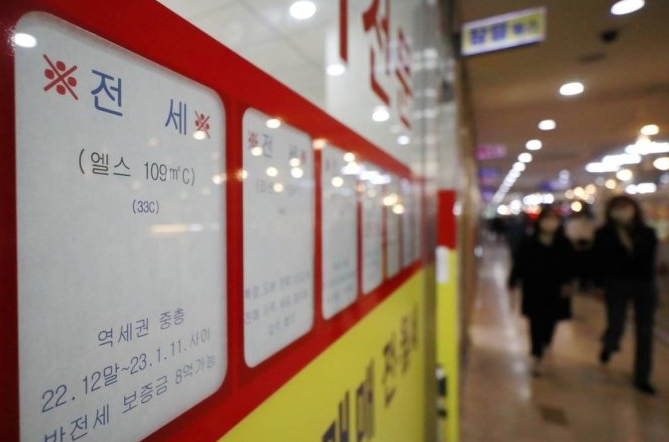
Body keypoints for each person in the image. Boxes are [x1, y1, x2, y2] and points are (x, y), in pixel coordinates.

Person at [592, 195, 658, 395]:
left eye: (625, 206)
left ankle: (642, 377)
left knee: (645, 332)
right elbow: (598, 261)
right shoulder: (604, 234)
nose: (622, 210)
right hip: (616, 284)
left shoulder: (647, 233)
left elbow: (651, 261)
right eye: (618, 207)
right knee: (616, 324)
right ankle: (609, 345)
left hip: (644, 286)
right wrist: (599, 285)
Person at [508, 207, 573, 375]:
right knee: (535, 320)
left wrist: (567, 283)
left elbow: (570, 266)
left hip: (556, 288)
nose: (550, 223)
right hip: (534, 287)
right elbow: (519, 263)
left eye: (553, 219)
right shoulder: (528, 242)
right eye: (547, 218)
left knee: (551, 319)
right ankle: (536, 352)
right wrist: (513, 280)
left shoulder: (564, 243)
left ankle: (545, 342)